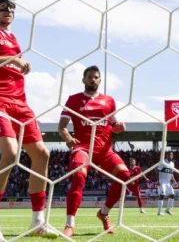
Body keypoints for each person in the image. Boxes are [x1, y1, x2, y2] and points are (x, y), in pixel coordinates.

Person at [0, 0, 54, 240]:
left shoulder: (14, 38)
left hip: (20, 102)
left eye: (12, 8)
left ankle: (37, 222)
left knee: (42, 154)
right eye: (4, 7)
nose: (9, 11)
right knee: (10, 153)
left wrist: (16, 63)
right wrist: (12, 60)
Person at [58, 65, 129, 235]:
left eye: (95, 77)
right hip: (82, 148)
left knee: (125, 176)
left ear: (100, 80)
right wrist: (68, 139)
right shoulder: (73, 100)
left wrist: (120, 127)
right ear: (83, 80)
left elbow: (115, 126)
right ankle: (70, 224)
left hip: (105, 151)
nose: (92, 79)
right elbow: (61, 127)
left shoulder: (109, 101)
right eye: (89, 77)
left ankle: (104, 213)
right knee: (79, 176)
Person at [156, 151, 178, 216]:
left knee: (172, 195)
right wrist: (158, 180)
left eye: (171, 155)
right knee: (162, 195)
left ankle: (167, 210)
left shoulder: (172, 164)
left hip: (168, 182)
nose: (170, 156)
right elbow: (157, 171)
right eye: (169, 155)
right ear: (166, 155)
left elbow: (171, 173)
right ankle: (159, 212)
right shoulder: (162, 162)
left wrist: (174, 181)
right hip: (162, 181)